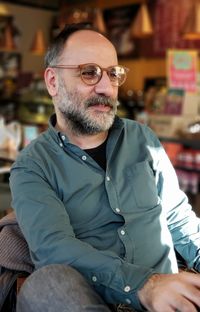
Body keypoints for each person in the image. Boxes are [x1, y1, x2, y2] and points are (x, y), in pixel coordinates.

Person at [9, 23, 200, 312]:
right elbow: (55, 250)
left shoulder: (143, 140)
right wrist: (145, 285)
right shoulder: (32, 167)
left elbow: (178, 219)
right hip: (93, 303)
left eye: (113, 73)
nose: (106, 86)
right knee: (47, 283)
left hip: (171, 303)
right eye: (89, 72)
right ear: (52, 82)